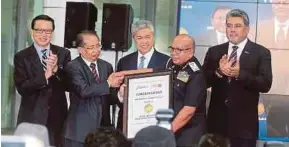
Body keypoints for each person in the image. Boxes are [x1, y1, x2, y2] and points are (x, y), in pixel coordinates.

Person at [203, 9, 272, 147]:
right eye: (229, 26)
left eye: (237, 26)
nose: (232, 30)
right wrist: (219, 72)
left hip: (244, 128)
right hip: (216, 126)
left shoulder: (261, 52)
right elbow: (203, 81)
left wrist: (240, 74)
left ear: (247, 29)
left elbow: (265, 84)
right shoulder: (215, 51)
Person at [14, 14, 71, 147]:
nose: (44, 34)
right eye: (39, 31)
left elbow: (70, 84)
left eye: (48, 31)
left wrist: (56, 69)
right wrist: (44, 76)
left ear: (52, 32)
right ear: (32, 31)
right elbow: (22, 88)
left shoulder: (63, 53)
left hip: (57, 118)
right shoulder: (22, 57)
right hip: (31, 117)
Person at [63, 30, 124, 147]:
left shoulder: (106, 66)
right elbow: (84, 91)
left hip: (103, 132)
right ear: (80, 50)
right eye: (91, 47)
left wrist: (119, 94)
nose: (96, 50)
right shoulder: (73, 67)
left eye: (98, 46)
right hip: (79, 131)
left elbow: (108, 96)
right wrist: (107, 83)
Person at [116, 20, 170, 130]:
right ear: (133, 38)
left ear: (153, 37)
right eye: (139, 38)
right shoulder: (124, 62)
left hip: (155, 122)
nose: (144, 41)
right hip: (128, 122)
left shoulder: (167, 62)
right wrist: (121, 95)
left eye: (147, 37)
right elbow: (114, 94)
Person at [166, 34, 206, 146]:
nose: (173, 53)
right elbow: (153, 71)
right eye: (172, 49)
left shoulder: (196, 74)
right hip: (174, 127)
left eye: (178, 50)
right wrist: (124, 74)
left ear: (190, 52)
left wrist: (166, 132)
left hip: (188, 133)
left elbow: (188, 111)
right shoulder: (172, 64)